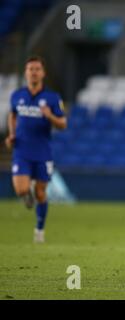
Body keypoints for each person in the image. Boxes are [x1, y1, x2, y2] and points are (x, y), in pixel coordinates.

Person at [4, 56, 67, 243]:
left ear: (43, 73)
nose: (34, 72)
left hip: (42, 151)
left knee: (41, 193)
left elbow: (63, 124)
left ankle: (39, 229)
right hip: (22, 150)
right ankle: (26, 194)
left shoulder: (52, 98)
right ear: (25, 72)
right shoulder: (17, 96)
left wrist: (50, 116)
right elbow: (12, 115)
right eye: (30, 69)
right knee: (21, 190)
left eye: (37, 69)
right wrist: (11, 134)